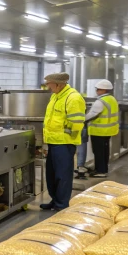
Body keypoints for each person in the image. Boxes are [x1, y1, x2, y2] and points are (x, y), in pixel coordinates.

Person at [41, 73, 86, 210]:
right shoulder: (55, 96)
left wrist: (66, 135)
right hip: (53, 141)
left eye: (49, 84)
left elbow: (77, 123)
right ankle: (55, 200)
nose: (48, 87)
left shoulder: (73, 98)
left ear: (59, 84)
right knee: (52, 174)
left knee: (63, 176)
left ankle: (62, 204)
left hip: (64, 143)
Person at [86, 79, 119, 178]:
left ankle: (100, 171)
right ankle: (103, 169)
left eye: (98, 89)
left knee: (98, 151)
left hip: (99, 130)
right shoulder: (112, 99)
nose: (97, 91)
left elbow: (92, 114)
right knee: (104, 150)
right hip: (108, 130)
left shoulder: (100, 101)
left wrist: (81, 119)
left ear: (104, 90)